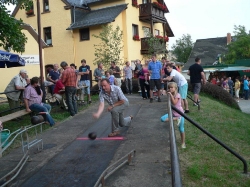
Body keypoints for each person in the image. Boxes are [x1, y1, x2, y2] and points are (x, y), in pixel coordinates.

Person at [160, 82, 186, 148]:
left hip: (179, 114)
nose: (170, 89)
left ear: (175, 88)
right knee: (162, 119)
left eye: (172, 87)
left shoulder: (177, 95)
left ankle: (183, 143)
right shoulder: (171, 93)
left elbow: (174, 103)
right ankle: (176, 119)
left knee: (181, 129)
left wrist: (170, 95)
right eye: (169, 88)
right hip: (173, 113)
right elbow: (164, 93)